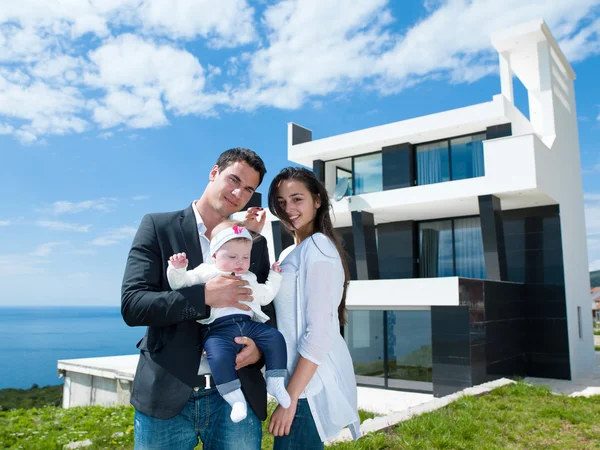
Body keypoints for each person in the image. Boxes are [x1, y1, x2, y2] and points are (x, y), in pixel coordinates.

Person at [121, 148, 272, 450]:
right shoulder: (158, 227)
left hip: (236, 399)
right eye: (234, 179)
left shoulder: (254, 243)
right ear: (214, 172)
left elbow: (267, 308)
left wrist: (259, 350)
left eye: (249, 189)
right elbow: (133, 304)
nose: (238, 192)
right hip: (167, 397)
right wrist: (204, 296)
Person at [267, 167, 361, 449]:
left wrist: (291, 398)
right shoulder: (289, 252)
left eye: (297, 199)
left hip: (304, 390)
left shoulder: (319, 247)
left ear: (317, 200)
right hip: (293, 385)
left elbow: (320, 332)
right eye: (281, 203)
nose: (288, 209)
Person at [166, 220, 291, 423]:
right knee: (219, 355)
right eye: (232, 257)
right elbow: (180, 284)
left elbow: (266, 296)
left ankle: (276, 380)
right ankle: (235, 400)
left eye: (245, 257)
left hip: (249, 325)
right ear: (214, 255)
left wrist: (275, 276)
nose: (240, 262)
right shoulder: (207, 271)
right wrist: (177, 269)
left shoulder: (249, 277)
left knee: (275, 338)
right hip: (218, 329)